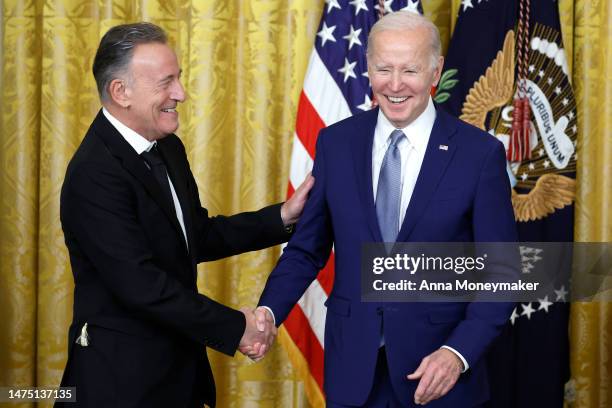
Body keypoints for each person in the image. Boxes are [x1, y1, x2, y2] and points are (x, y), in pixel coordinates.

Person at [255, 11, 518, 407]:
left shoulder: (479, 155)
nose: (395, 85)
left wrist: (457, 354)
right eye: (383, 69)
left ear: (435, 72)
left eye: (410, 70)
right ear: (367, 69)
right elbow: (307, 249)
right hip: (353, 369)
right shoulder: (335, 144)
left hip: (438, 372)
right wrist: (268, 313)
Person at [56, 22, 312, 408]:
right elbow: (142, 286)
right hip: (121, 384)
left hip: (177, 372)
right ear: (120, 92)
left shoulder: (167, 147)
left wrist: (282, 216)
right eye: (166, 82)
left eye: (179, 78)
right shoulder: (94, 174)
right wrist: (236, 327)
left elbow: (196, 234)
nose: (182, 93)